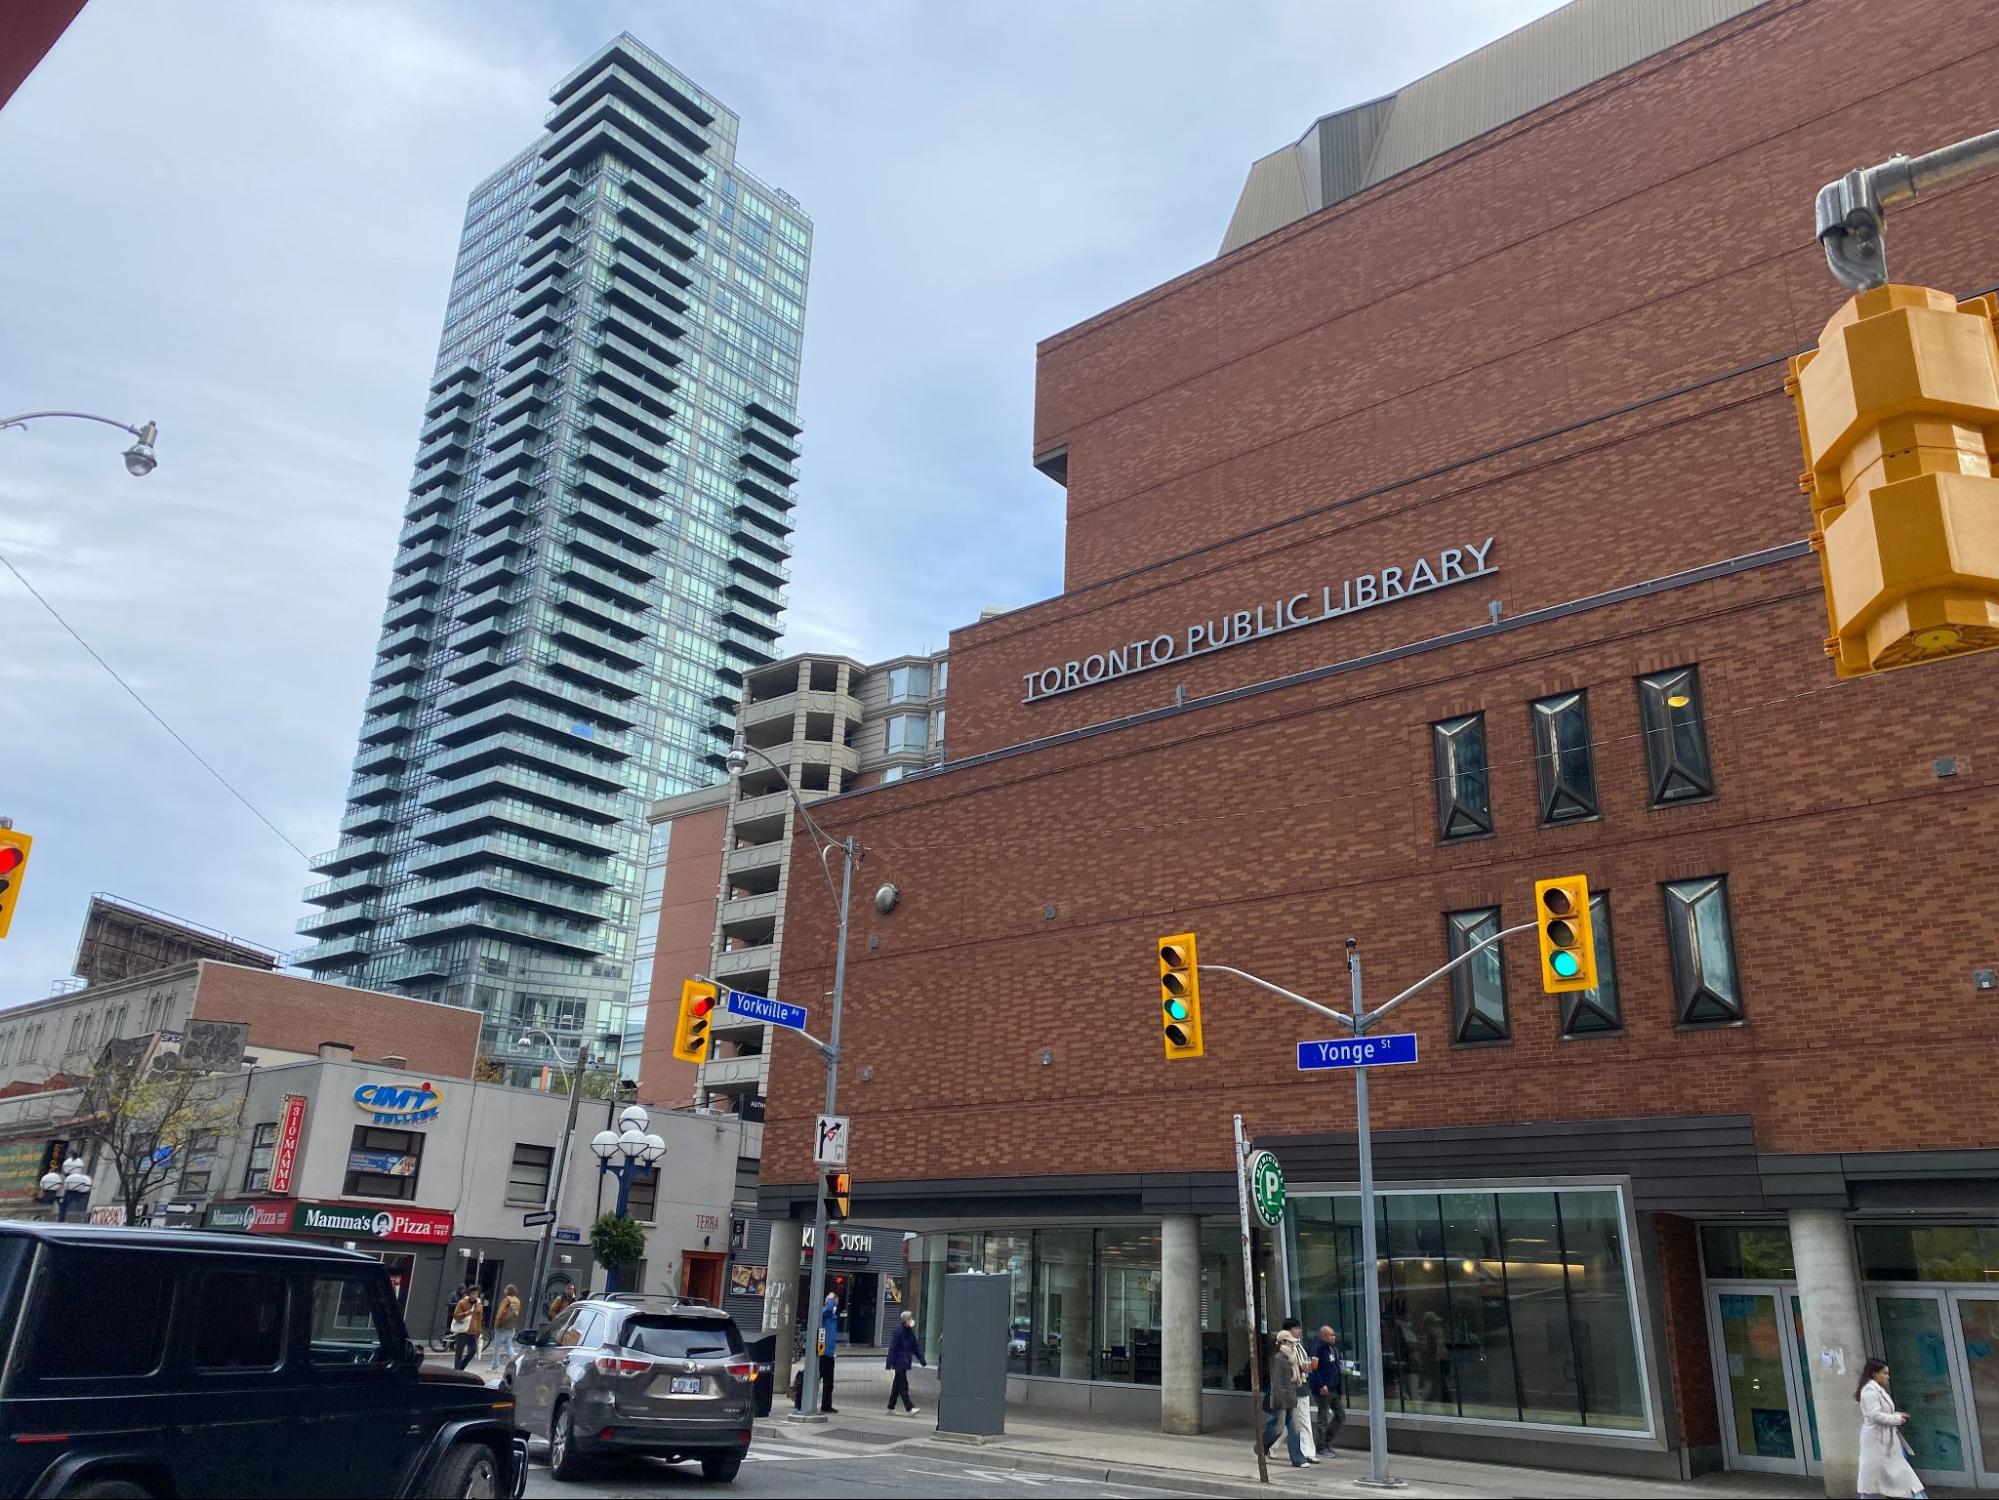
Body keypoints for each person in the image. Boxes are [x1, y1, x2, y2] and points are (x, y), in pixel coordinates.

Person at [1856, 1358, 1927, 1498]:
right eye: (1884, 1373)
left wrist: (1896, 1415)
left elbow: (1881, 1413)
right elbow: (1875, 1414)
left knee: (1895, 1479)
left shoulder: (1876, 1390)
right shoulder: (1869, 1391)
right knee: (1874, 1482)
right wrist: (1896, 1419)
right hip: (1877, 1442)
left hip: (1885, 1442)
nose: (1887, 1377)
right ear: (1874, 1374)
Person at [1261, 1319, 1317, 1468]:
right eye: (1289, 1342)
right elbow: (1277, 1382)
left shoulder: (1293, 1357)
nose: (1292, 1344)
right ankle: (1261, 1447)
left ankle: (1298, 1459)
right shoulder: (1279, 1358)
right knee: (1277, 1428)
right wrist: (1283, 1398)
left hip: (1292, 1397)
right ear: (1283, 1342)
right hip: (1282, 1400)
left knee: (1294, 1429)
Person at [1307, 1324, 1344, 1456]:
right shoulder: (1318, 1348)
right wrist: (1321, 1385)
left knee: (1340, 1415)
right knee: (1323, 1417)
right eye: (1330, 1335)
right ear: (1323, 1336)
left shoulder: (1332, 1349)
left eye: (1334, 1335)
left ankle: (1327, 1441)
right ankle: (1321, 1447)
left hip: (1333, 1388)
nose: (1333, 1337)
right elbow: (1313, 1368)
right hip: (1323, 1389)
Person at [885, 1310, 927, 1414]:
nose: (911, 1320)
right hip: (899, 1362)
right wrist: (889, 1363)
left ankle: (890, 1407)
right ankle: (909, 1408)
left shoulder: (909, 1332)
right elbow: (892, 1348)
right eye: (910, 1318)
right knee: (903, 1385)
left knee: (897, 1386)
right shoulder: (898, 1332)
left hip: (905, 1362)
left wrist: (922, 1360)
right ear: (905, 1320)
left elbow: (915, 1347)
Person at [487, 1283, 522, 1373]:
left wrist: (496, 1325)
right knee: (508, 1345)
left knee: (496, 1346)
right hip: (511, 1327)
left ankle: (495, 1364)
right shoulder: (517, 1301)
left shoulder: (506, 1300)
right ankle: (517, 1360)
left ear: (508, 1291)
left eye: (506, 1289)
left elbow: (500, 1313)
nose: (504, 1290)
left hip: (502, 1326)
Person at [816, 1291, 840, 1414]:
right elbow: (827, 1310)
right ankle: (803, 1401)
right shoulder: (825, 1313)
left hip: (829, 1353)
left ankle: (826, 1405)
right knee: (818, 1380)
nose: (836, 1303)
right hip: (823, 1353)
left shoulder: (832, 1316)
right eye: (835, 1301)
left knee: (829, 1382)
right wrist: (830, 1299)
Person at [449, 1283, 483, 1372]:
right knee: (459, 1353)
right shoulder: (462, 1302)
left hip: (472, 1333)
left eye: (476, 1294)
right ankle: (456, 1371)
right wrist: (466, 1313)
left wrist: (479, 1330)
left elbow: (479, 1318)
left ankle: (461, 1367)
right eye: (472, 1294)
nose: (474, 1296)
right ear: (469, 1294)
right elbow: (456, 1316)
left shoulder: (479, 1304)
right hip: (462, 1331)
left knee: (472, 1351)